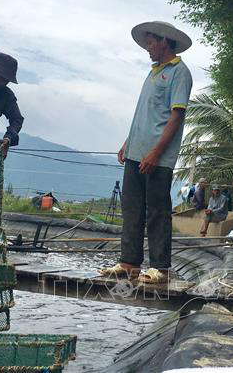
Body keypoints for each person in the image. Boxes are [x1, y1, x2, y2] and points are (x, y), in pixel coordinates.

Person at [99, 21, 193, 284]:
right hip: (135, 151)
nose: (148, 48)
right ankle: (129, 262)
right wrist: (128, 142)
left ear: (164, 41)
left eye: (151, 42)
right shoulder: (153, 72)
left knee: (157, 209)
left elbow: (176, 116)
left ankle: (160, 267)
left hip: (157, 156)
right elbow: (147, 113)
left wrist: (155, 152)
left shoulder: (179, 72)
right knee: (132, 208)